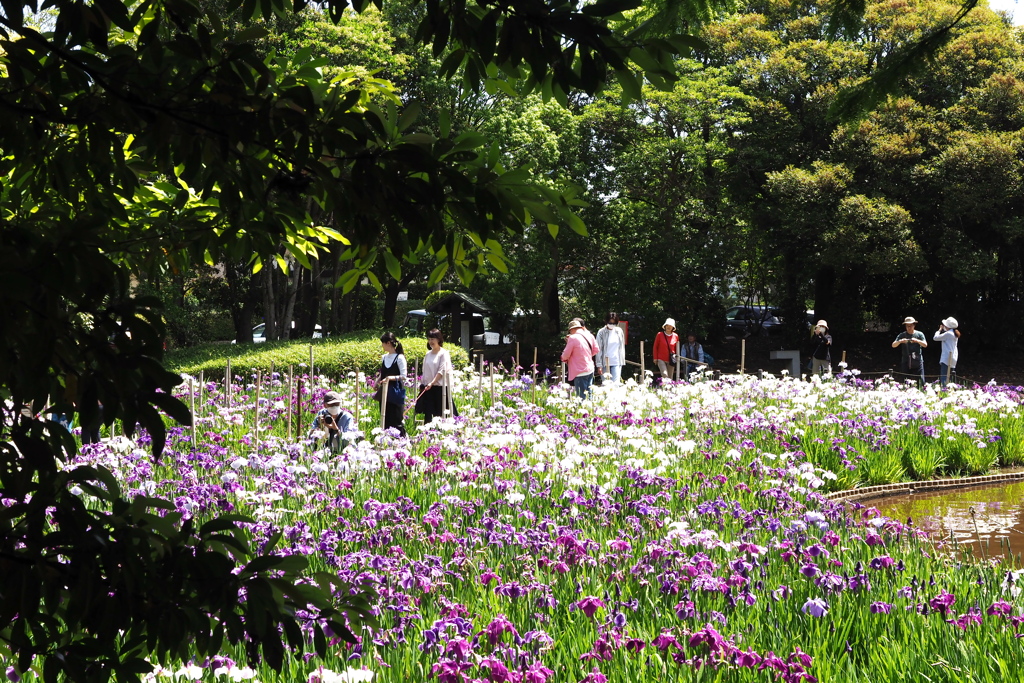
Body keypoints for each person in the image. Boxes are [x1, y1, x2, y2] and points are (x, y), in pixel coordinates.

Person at [416, 328, 458, 423]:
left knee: (441, 413)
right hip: (428, 388)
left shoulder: (444, 353)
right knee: (428, 414)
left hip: (440, 388)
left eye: (433, 339)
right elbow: (425, 371)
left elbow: (442, 370)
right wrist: (423, 384)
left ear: (438, 339)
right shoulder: (428, 354)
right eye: (429, 339)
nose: (430, 341)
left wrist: (433, 382)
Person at [377, 331, 407, 436]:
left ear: (388, 343)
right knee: (385, 417)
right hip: (384, 391)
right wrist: (377, 381)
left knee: (396, 418)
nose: (382, 345)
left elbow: (403, 376)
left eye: (383, 343)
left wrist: (390, 378)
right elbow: (383, 373)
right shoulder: (384, 357)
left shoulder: (399, 358)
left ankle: (400, 439)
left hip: (395, 391)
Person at [561, 320, 597, 399]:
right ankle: (590, 410)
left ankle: (583, 411)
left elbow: (566, 355)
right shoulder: (589, 335)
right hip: (590, 368)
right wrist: (586, 356)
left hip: (579, 370)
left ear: (572, 329)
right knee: (589, 394)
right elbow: (596, 349)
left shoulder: (572, 338)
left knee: (581, 397)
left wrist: (564, 358)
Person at [892, 316, 927, 385]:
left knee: (920, 380)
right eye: (907, 326)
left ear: (914, 325)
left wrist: (917, 341)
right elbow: (893, 345)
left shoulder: (919, 334)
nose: (909, 327)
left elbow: (925, 345)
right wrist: (900, 341)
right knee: (906, 380)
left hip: (917, 360)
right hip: (906, 360)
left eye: (910, 326)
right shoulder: (902, 335)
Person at [595, 312, 626, 383]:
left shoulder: (619, 331)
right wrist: (599, 365)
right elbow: (598, 349)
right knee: (606, 384)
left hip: (616, 361)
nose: (612, 325)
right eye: (610, 323)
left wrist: (622, 360)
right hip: (604, 362)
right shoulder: (601, 332)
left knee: (616, 384)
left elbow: (621, 346)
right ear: (606, 321)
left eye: (614, 323)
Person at [933, 317, 960, 387]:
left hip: (947, 358)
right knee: (951, 377)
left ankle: (944, 391)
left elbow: (935, 338)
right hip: (953, 357)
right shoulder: (954, 334)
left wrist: (939, 330)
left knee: (944, 377)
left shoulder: (948, 334)